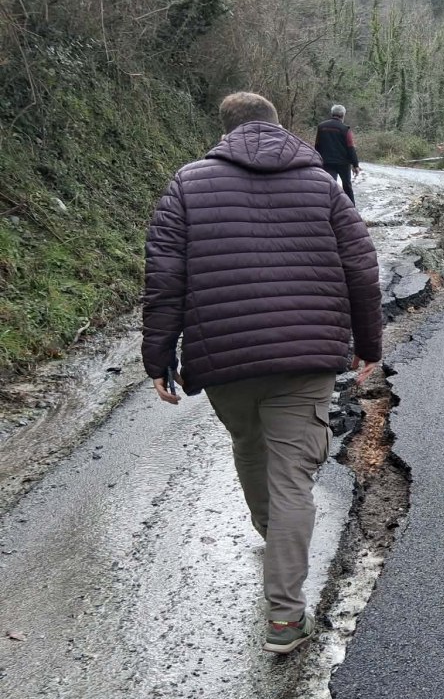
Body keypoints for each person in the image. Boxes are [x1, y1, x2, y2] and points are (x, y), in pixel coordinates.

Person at [141, 91, 383, 655]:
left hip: (224, 357)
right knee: (293, 476)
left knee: (250, 446)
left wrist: (160, 358)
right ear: (280, 127)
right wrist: (368, 345)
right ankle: (283, 618)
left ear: (224, 129)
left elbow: (163, 279)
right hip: (307, 355)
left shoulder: (187, 184)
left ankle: (273, 540)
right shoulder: (322, 184)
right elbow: (362, 269)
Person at [315, 104, 361, 204]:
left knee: (329, 185)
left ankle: (328, 207)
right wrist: (355, 164)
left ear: (332, 114)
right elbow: (350, 147)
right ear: (343, 115)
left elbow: (317, 145)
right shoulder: (345, 129)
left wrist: (316, 161)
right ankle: (351, 208)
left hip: (326, 162)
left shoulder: (321, 127)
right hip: (343, 163)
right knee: (347, 186)